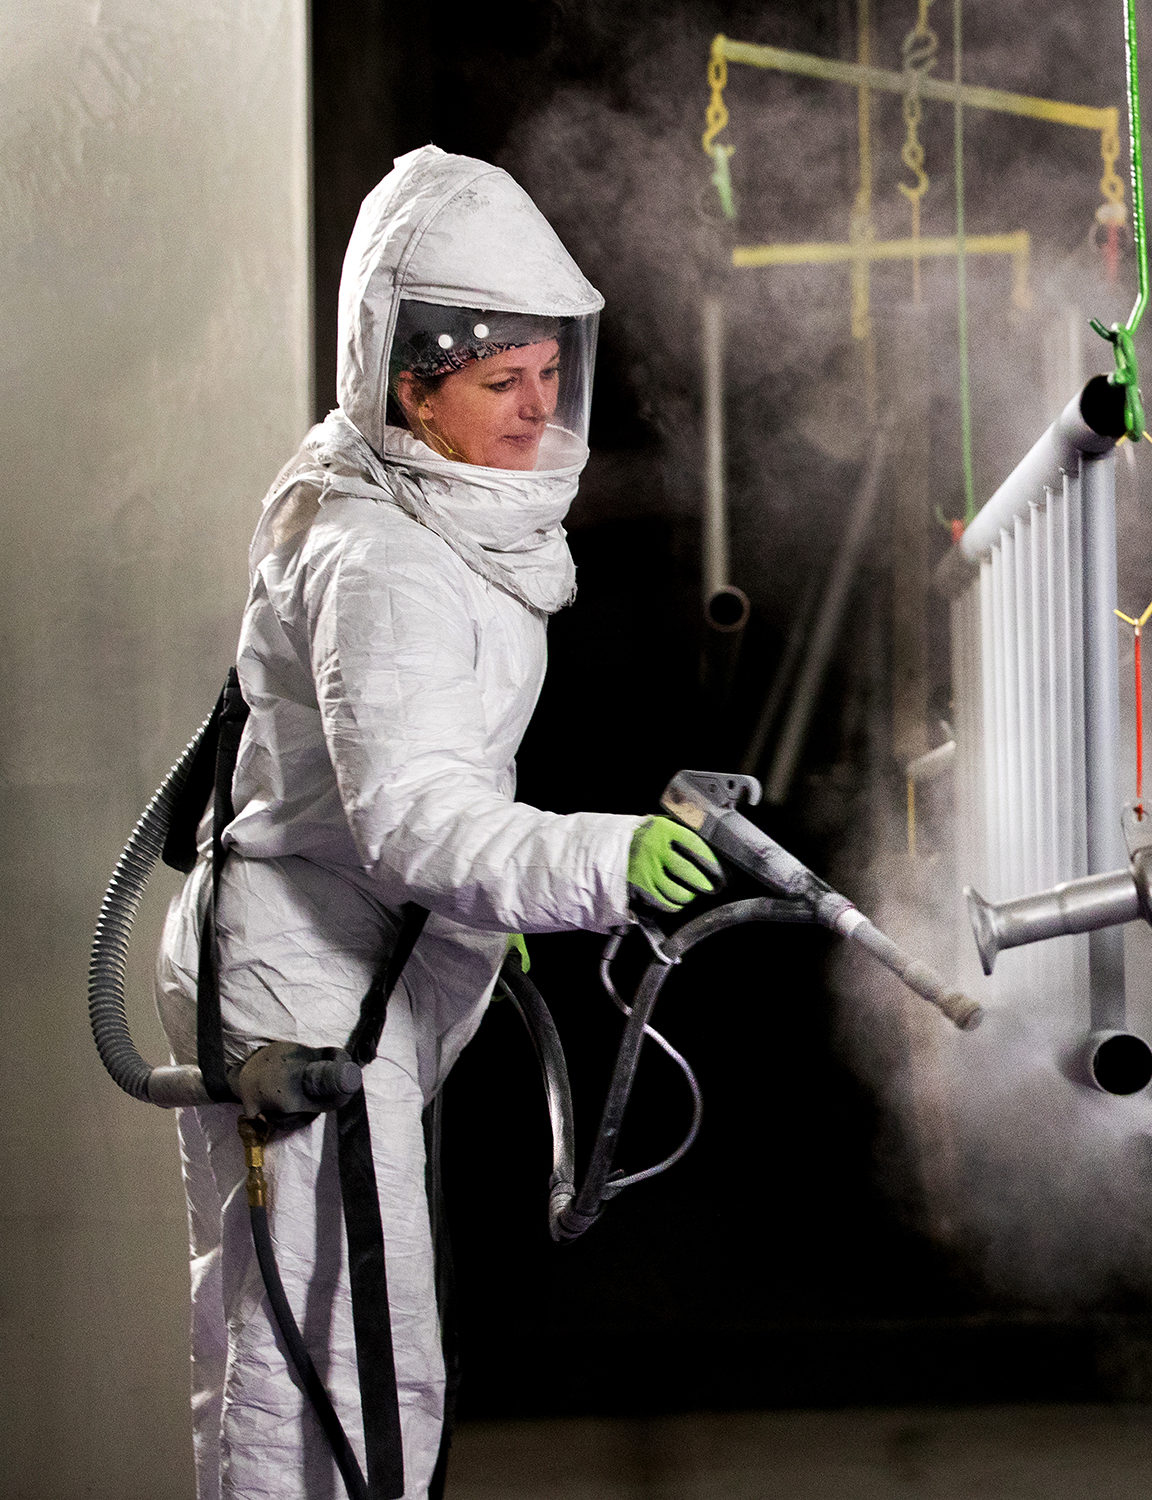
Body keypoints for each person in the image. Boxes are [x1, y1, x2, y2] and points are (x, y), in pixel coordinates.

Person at [155, 145, 722, 1499]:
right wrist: (597, 861)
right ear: (408, 384)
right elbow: (412, 818)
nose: (533, 415)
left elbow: (392, 776)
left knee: (347, 1345)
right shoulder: (385, 556)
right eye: (495, 385)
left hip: (358, 958)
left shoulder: (408, 495)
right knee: (318, 1363)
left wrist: (479, 911)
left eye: (546, 378)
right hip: (306, 984)